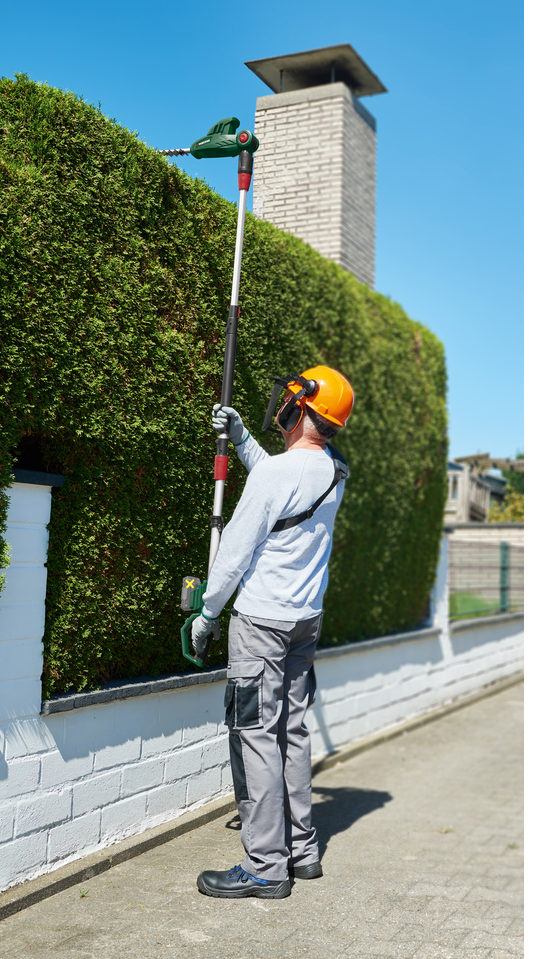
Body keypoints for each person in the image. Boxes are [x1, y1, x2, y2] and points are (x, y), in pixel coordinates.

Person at [189, 365, 355, 900]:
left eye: (289, 399)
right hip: (305, 621)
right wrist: (241, 439)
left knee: (257, 736)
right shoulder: (334, 473)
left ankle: (264, 866)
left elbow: (235, 551)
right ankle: (302, 851)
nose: (281, 405)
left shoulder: (278, 475)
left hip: (261, 623)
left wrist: (208, 613)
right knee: (292, 732)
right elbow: (283, 481)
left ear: (300, 408)